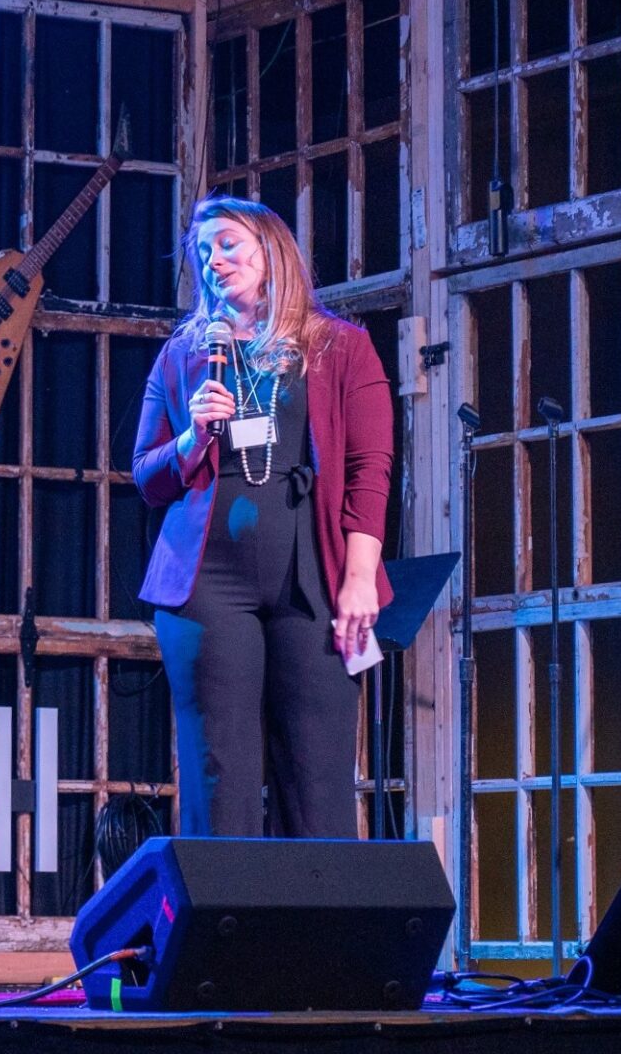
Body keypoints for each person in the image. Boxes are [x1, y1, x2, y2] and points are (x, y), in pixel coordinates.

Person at [132, 195, 393, 839]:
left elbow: (371, 466)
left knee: (317, 776)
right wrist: (194, 437)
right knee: (222, 782)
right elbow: (147, 474)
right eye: (202, 253)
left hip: (312, 580)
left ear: (271, 248)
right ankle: (226, 938)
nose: (212, 262)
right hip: (205, 588)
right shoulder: (183, 355)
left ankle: (320, 939)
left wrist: (360, 575)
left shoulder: (341, 347)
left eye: (226, 244)